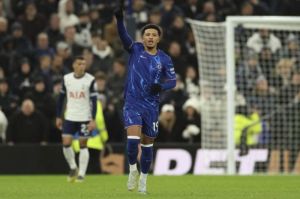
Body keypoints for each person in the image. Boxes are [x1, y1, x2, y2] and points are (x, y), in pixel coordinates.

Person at [114, 1, 176, 194]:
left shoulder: (164, 58)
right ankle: (133, 170)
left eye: (153, 35)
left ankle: (143, 181)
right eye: (147, 34)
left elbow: (173, 81)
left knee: (147, 145)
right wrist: (119, 19)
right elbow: (124, 37)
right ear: (143, 37)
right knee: (132, 141)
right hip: (133, 103)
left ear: (158, 38)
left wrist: (162, 86)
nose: (150, 37)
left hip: (151, 106)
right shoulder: (136, 49)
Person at [56, 56, 97, 182]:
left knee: (83, 145)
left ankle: (82, 174)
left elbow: (94, 100)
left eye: (84, 64)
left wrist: (93, 119)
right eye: (79, 64)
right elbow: (61, 98)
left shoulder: (90, 80)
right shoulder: (67, 79)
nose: (82, 66)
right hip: (70, 117)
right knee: (66, 143)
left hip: (85, 117)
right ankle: (73, 167)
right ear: (74, 65)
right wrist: (58, 116)